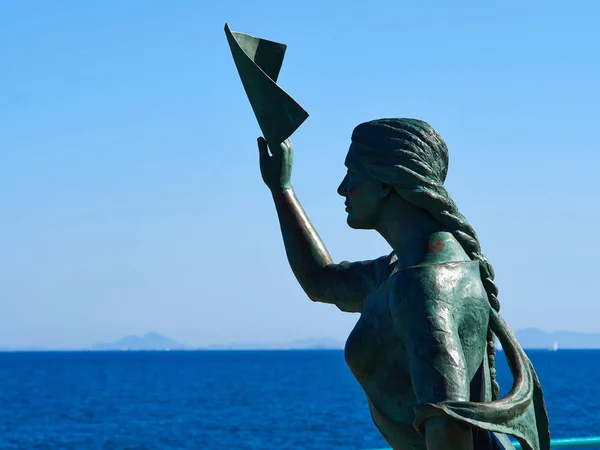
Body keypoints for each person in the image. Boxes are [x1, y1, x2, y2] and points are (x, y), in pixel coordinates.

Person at [257, 118, 550, 450]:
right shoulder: (406, 268)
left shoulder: (425, 284)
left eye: (352, 173)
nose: (342, 187)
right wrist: (282, 188)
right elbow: (321, 280)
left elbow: (449, 429)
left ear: (386, 183)